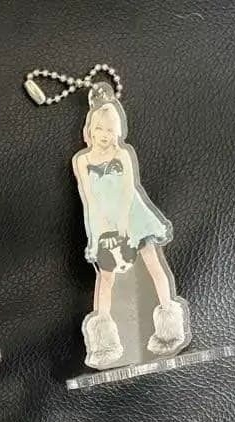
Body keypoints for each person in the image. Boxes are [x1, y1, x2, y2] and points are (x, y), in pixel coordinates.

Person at [72, 82, 187, 368]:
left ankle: (170, 328)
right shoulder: (82, 161)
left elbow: (126, 192)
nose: (104, 135)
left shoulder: (122, 154)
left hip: (133, 216)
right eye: (99, 129)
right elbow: (89, 199)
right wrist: (99, 232)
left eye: (110, 130)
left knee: (154, 265)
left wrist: (123, 227)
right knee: (105, 277)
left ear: (117, 132)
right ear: (90, 131)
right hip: (104, 222)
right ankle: (104, 342)